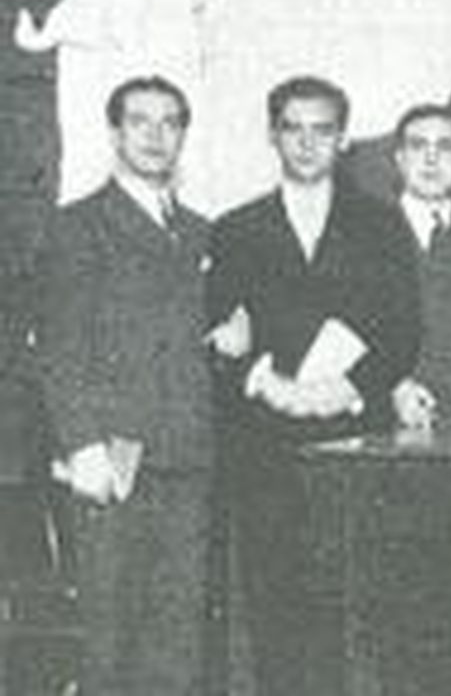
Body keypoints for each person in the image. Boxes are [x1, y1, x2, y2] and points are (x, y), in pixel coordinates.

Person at [207, 75, 420, 695]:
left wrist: (345, 390)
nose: (306, 143)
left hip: (354, 444)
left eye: (321, 130)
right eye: (292, 129)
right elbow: (218, 333)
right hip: (264, 446)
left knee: (354, 606)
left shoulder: (381, 225)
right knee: (273, 603)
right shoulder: (236, 228)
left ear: (343, 139)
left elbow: (403, 331)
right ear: (272, 135)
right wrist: (266, 384)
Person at [34, 75, 217, 694]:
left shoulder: (201, 232)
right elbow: (58, 348)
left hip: (190, 460)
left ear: (183, 135)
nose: (155, 136)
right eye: (140, 121)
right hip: (115, 464)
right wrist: (83, 446)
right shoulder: (78, 226)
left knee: (179, 644)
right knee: (111, 641)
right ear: (115, 134)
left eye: (170, 123)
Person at [388, 104, 451, 433]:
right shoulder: (366, 230)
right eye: (418, 146)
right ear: (399, 159)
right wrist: (393, 385)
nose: (431, 159)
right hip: (387, 414)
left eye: (445, 147)